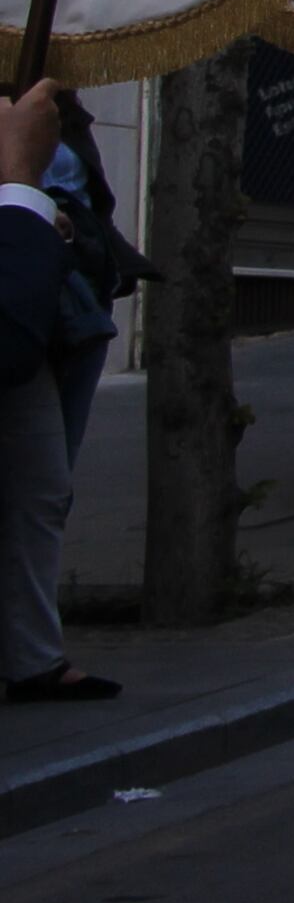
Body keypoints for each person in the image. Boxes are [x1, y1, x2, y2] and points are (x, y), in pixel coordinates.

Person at [0, 82, 127, 705]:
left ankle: (33, 656)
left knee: (44, 486)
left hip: (60, 309)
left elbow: (87, 198)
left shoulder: (54, 108)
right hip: (20, 309)